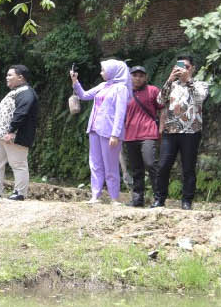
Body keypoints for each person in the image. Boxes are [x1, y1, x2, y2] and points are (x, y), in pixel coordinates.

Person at [155, 53, 209, 210]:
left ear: (192, 68)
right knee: (163, 165)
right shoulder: (172, 84)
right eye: (179, 66)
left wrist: (188, 81)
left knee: (188, 168)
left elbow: (200, 99)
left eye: (186, 67)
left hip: (191, 132)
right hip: (170, 131)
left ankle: (186, 202)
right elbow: (159, 100)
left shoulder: (200, 84)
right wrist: (170, 79)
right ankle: (159, 200)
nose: (182, 70)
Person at [72, 59, 129, 204]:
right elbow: (84, 95)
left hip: (109, 132)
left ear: (113, 72)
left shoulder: (121, 88)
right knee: (95, 162)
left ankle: (114, 197)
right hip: (94, 128)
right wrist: (75, 81)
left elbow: (120, 113)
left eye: (104, 70)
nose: (101, 72)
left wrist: (115, 134)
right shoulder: (103, 85)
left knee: (111, 165)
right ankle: (95, 195)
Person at [0, 65, 38, 200]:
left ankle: (20, 193)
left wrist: (11, 131)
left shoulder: (26, 92)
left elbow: (22, 113)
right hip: (0, 135)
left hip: (14, 135)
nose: (7, 78)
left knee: (18, 163)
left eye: (10, 75)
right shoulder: (17, 91)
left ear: (20, 77)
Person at [121, 65, 162, 208]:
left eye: (141, 75)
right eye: (134, 75)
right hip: (130, 135)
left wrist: (161, 128)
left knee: (151, 163)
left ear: (146, 77)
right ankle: (138, 199)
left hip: (148, 133)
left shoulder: (153, 90)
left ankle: (159, 198)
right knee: (136, 168)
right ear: (130, 77)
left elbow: (162, 108)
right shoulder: (124, 92)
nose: (137, 78)